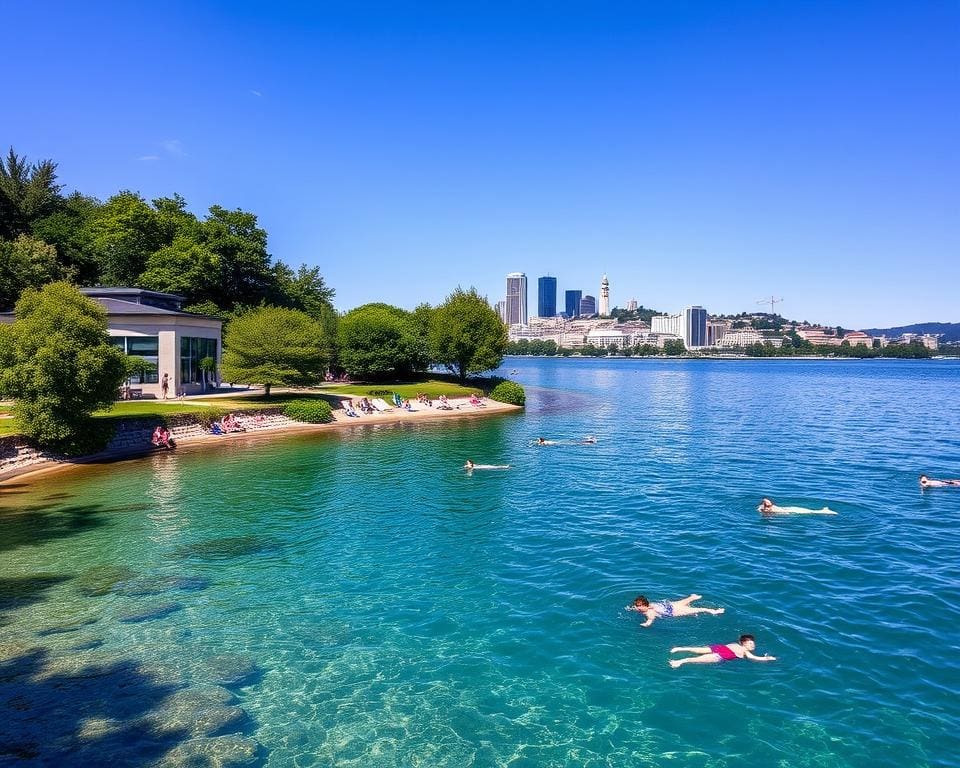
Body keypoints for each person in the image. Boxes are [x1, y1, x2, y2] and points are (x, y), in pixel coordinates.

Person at [669, 634, 776, 668]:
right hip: (720, 652)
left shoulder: (739, 646)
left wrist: (766, 658)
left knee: (698, 656)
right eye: (750, 643)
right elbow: (754, 658)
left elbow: (754, 657)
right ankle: (680, 654)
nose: (753, 645)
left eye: (753, 643)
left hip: (720, 651)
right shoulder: (745, 651)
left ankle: (680, 656)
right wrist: (767, 658)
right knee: (697, 652)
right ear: (743, 643)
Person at [627, 594, 725, 627]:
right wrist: (631, 608)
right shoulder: (648, 605)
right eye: (636, 605)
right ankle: (693, 597)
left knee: (697, 610)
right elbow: (638, 607)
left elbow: (650, 620)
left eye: (638, 606)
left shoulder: (649, 612)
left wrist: (645, 625)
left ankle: (714, 611)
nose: (637, 607)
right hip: (670, 605)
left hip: (673, 611)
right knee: (683, 601)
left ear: (645, 605)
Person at [758, 498, 836, 515]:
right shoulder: (764, 508)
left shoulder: (772, 509)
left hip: (792, 510)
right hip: (790, 508)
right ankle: (823, 510)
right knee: (810, 511)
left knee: (810, 511)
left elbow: (786, 513)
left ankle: (824, 511)